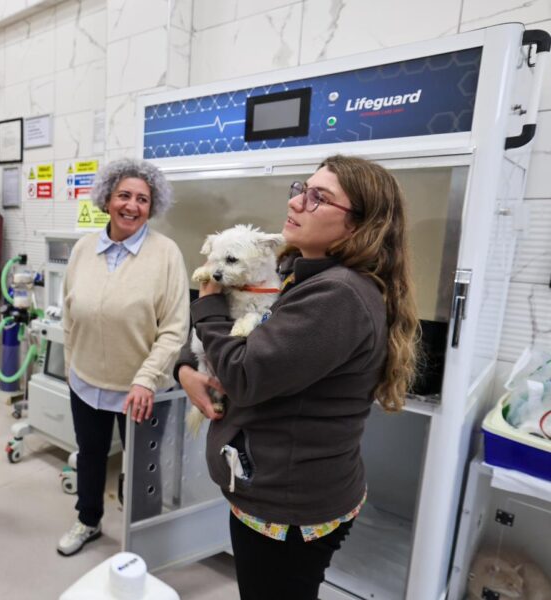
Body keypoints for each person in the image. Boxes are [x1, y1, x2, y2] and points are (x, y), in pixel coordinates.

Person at [176, 155, 419, 600]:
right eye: (301, 189)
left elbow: (244, 372)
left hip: (288, 510)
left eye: (318, 197)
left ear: (359, 226)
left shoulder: (337, 296)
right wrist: (185, 368)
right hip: (278, 492)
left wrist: (206, 302)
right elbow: (237, 334)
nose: (296, 202)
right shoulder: (298, 274)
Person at [58, 158, 189, 556]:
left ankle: (142, 542)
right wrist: (71, 367)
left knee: (142, 467)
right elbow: (69, 313)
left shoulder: (166, 254)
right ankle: (88, 520)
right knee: (90, 457)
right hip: (86, 382)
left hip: (139, 390)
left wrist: (146, 379)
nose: (132, 206)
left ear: (152, 206)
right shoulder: (84, 248)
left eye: (142, 199)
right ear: (107, 199)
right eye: (124, 196)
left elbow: (174, 328)